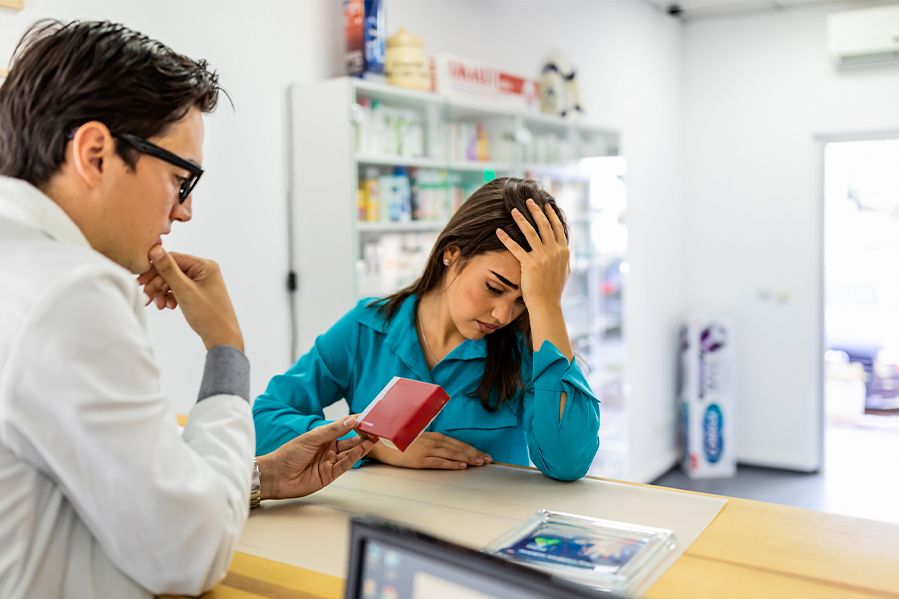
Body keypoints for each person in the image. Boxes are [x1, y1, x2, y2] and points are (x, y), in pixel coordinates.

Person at [0, 20, 373, 599]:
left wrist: (256, 477)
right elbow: (186, 552)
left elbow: (99, 488)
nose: (185, 212)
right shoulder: (69, 292)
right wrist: (226, 350)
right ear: (95, 153)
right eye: (181, 179)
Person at [254, 177, 600, 481]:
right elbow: (263, 420)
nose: (503, 314)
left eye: (524, 300)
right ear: (452, 253)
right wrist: (370, 444)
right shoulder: (367, 328)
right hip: (381, 532)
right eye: (494, 288)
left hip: (481, 536)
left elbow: (568, 462)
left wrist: (547, 306)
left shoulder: (525, 350)